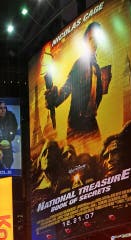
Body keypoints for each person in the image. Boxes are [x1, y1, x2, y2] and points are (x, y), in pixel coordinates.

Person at [45, 21, 111, 155]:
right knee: (74, 164)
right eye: (91, 39)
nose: (94, 43)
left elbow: (97, 94)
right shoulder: (79, 64)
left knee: (98, 159)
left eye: (96, 39)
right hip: (76, 124)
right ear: (85, 41)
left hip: (91, 122)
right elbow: (67, 88)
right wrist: (54, 99)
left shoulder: (97, 68)